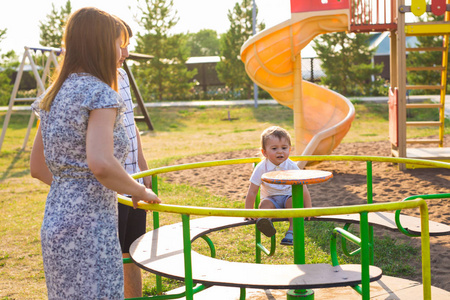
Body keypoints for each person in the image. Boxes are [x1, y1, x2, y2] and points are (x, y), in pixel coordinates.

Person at [29, 7, 161, 299]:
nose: (124, 53)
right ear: (101, 45)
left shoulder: (54, 93)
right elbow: (100, 163)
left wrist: (78, 188)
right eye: (119, 44)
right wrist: (139, 190)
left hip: (56, 220)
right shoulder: (100, 94)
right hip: (91, 228)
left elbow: (37, 166)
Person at [117, 20, 150, 298]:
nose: (126, 53)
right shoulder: (94, 86)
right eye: (121, 44)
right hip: (113, 186)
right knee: (113, 255)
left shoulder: (122, 76)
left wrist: (143, 166)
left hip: (133, 178)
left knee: (133, 250)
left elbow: (131, 124)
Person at [244, 126, 311, 246]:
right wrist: (249, 211)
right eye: (274, 148)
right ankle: (266, 223)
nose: (280, 151)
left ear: (289, 150)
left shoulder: (292, 166)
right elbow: (253, 191)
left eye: (284, 148)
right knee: (264, 206)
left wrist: (309, 208)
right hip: (271, 199)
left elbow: (303, 189)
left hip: (288, 197)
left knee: (294, 204)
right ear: (264, 152)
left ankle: (291, 231)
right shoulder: (261, 167)